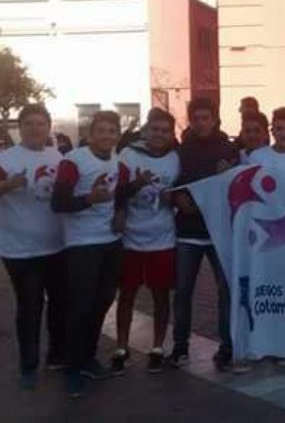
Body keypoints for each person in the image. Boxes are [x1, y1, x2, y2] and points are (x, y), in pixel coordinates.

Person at [52, 110, 126, 398]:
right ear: (90, 134)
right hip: (82, 243)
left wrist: (121, 211)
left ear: (117, 135)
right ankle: (72, 369)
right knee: (81, 306)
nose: (107, 136)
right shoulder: (74, 161)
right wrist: (88, 199)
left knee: (102, 302)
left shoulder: (118, 161)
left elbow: (119, 194)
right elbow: (58, 203)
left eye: (112, 131)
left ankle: (88, 358)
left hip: (111, 240)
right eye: (101, 131)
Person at [169, 98, 241, 373]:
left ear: (214, 119)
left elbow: (239, 187)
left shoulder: (229, 148)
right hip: (187, 233)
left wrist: (230, 175)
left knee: (226, 293)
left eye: (205, 117)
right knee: (183, 292)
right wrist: (177, 199)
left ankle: (227, 348)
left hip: (219, 232)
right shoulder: (180, 150)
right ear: (190, 120)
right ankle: (180, 346)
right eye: (196, 118)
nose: (201, 122)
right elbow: (171, 183)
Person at [0, 104, 67, 390]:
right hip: (21, 251)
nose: (35, 128)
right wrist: (8, 185)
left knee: (59, 305)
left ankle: (56, 355)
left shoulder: (57, 155)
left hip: (57, 247)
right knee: (30, 307)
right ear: (20, 127)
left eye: (41, 123)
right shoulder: (6, 158)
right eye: (29, 123)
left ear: (48, 127)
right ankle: (29, 365)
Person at [110, 108, 179, 375]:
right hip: (131, 237)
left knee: (161, 295)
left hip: (162, 237)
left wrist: (172, 199)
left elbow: (182, 191)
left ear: (172, 134)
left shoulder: (176, 158)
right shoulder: (128, 155)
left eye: (165, 131)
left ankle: (158, 347)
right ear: (146, 130)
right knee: (127, 294)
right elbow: (118, 191)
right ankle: (121, 347)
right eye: (155, 129)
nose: (159, 135)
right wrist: (133, 188)